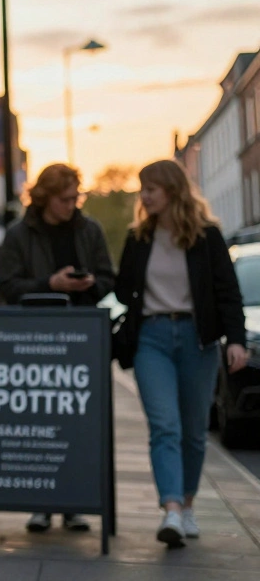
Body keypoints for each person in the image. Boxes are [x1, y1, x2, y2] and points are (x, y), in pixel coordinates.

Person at [115, 160, 250, 547]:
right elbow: (125, 292)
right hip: (151, 339)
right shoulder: (139, 238)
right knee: (164, 426)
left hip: (198, 340)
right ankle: (171, 509)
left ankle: (187, 504)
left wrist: (236, 340)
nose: (143, 196)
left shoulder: (207, 237)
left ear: (172, 191)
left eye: (150, 189)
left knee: (193, 431)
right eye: (142, 189)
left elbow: (228, 293)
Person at [0, 163, 114, 533]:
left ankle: (74, 504)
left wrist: (89, 284)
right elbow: (8, 287)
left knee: (79, 421)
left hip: (82, 338)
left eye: (76, 197)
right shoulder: (19, 234)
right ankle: (41, 504)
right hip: (36, 339)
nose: (72, 204)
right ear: (45, 197)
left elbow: (110, 278)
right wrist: (52, 283)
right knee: (38, 421)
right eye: (65, 199)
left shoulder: (89, 229)